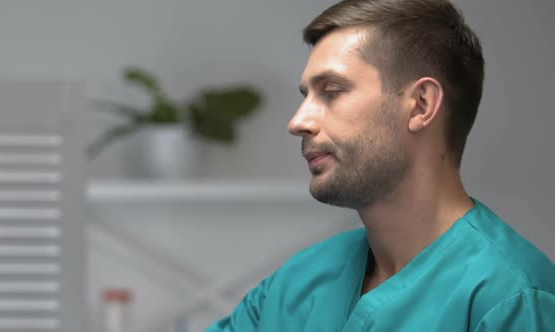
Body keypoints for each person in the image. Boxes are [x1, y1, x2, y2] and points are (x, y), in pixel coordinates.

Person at [207, 0, 555, 330]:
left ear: (421, 105)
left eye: (331, 90)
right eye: (306, 96)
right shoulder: (298, 282)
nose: (298, 121)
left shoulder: (512, 299)